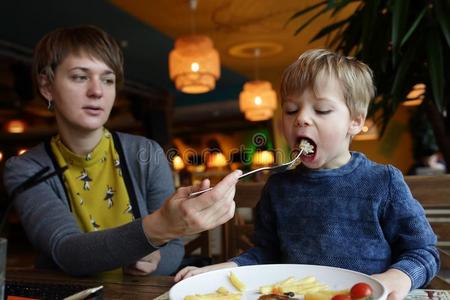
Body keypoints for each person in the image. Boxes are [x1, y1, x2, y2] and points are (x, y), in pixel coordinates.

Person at [175, 49, 439, 300]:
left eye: (321, 110)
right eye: (290, 110)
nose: (301, 119)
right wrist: (224, 269)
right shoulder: (278, 187)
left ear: (355, 121)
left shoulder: (383, 182)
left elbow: (424, 252)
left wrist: (399, 277)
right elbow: (266, 253)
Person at [2, 25, 242, 277]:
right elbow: (66, 252)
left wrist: (156, 260)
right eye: (80, 77)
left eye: (107, 80)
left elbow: (173, 248)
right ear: (47, 86)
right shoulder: (26, 168)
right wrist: (156, 228)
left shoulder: (146, 153)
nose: (97, 91)